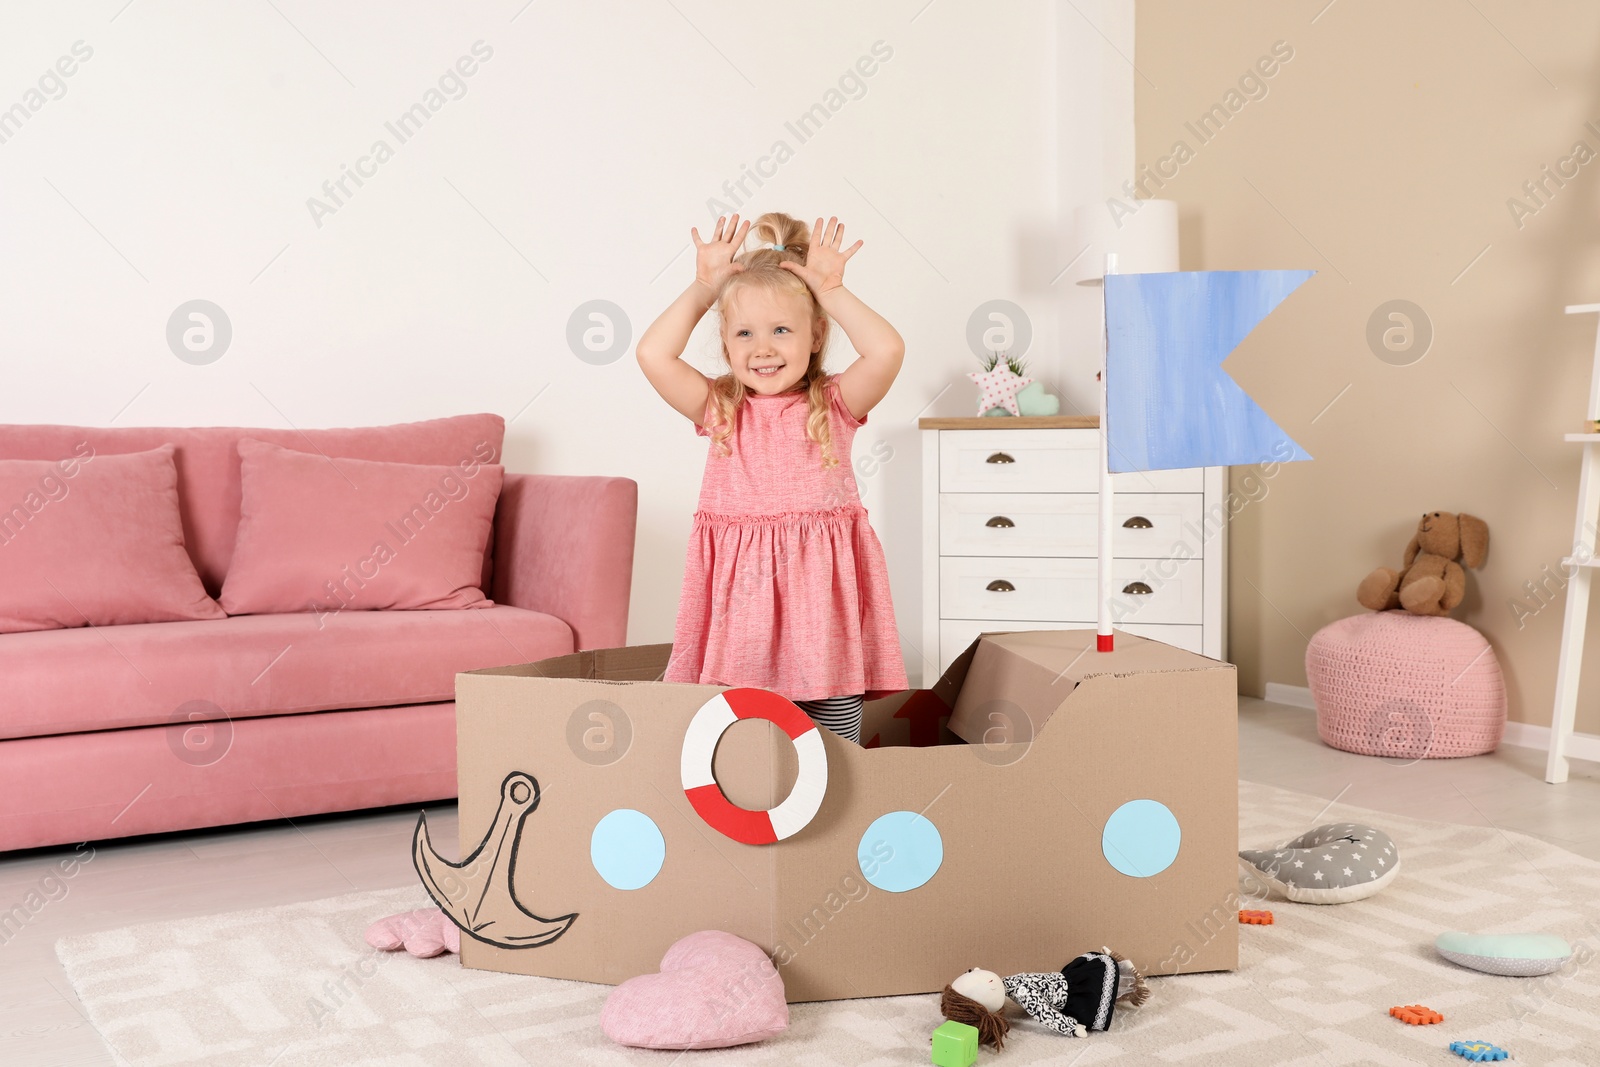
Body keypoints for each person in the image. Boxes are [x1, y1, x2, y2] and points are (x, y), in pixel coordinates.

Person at [637, 211, 908, 743]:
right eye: (745, 333)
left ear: (816, 335)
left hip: (819, 605)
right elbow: (653, 353)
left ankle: (842, 805)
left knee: (832, 735)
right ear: (726, 341)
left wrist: (830, 290)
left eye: (782, 330)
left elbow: (887, 350)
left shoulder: (833, 404)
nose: (762, 348)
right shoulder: (719, 409)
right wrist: (702, 287)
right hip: (744, 607)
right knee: (746, 731)